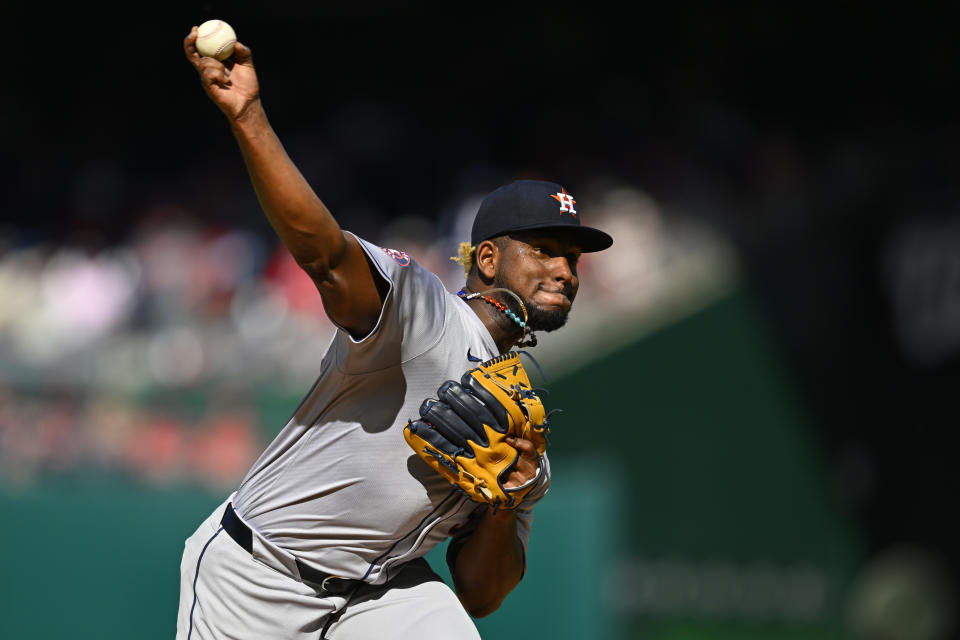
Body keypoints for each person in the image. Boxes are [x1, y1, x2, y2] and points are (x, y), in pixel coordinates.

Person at [177, 26, 613, 640]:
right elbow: (326, 258)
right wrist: (248, 116)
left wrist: (504, 501)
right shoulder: (425, 313)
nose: (564, 269)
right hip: (256, 575)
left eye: (573, 257)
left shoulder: (522, 427)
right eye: (545, 248)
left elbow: (482, 595)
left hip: (378, 596)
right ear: (486, 259)